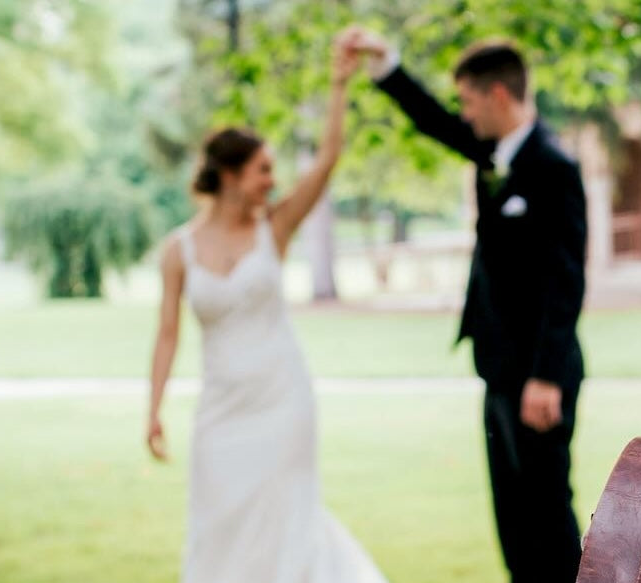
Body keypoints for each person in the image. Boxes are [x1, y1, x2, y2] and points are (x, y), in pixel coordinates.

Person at [342, 28, 589, 583]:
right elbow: (432, 121)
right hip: (498, 370)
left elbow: (565, 279)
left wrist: (545, 377)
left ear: (498, 95)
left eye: (469, 101)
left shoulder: (554, 168)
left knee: (548, 515)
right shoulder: (491, 153)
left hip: (539, 379)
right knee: (513, 521)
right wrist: (387, 68)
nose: (465, 113)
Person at [145, 32, 386, 583]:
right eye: (262, 170)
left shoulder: (273, 229)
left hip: (282, 399)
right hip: (222, 409)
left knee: (287, 518)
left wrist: (339, 84)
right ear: (229, 176)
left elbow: (327, 160)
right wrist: (154, 408)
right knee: (220, 520)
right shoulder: (178, 250)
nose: (272, 181)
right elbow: (166, 335)